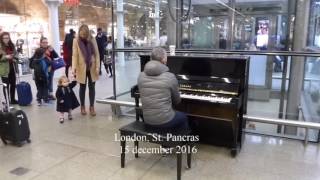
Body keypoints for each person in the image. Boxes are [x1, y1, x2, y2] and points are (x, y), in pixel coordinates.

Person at [137, 47, 188, 130]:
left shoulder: (141, 75)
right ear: (164, 60)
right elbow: (177, 101)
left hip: (147, 119)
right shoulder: (170, 76)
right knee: (183, 117)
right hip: (165, 121)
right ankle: (180, 141)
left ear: (150, 58)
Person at [72, 24, 100, 116]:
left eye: (84, 35)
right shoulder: (76, 40)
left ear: (87, 34)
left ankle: (92, 107)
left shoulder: (92, 39)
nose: (83, 36)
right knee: (82, 88)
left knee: (92, 88)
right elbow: (75, 55)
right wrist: (74, 68)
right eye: (81, 35)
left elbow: (97, 54)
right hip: (81, 67)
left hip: (92, 66)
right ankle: (82, 106)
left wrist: (97, 67)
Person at [0, 32, 18, 104]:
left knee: (13, 84)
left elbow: (16, 54)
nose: (6, 39)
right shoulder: (0, 47)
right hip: (4, 69)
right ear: (1, 38)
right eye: (5, 38)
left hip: (12, 67)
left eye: (7, 38)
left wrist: (14, 58)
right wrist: (6, 57)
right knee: (6, 85)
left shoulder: (11, 45)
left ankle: (12, 99)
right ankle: (7, 101)